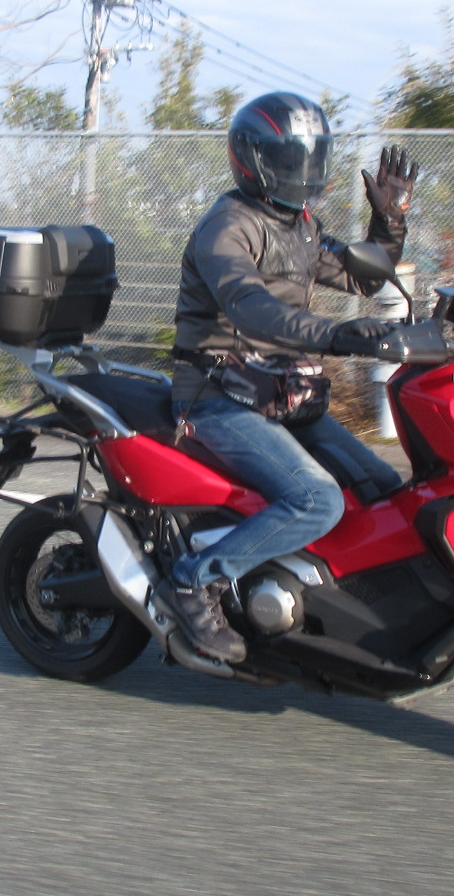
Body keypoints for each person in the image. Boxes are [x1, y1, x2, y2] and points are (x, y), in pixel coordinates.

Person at [159, 91, 419, 664]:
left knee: (382, 487)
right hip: (217, 395)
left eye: (308, 157)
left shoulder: (299, 225)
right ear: (252, 160)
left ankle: (343, 597)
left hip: (279, 391)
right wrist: (336, 334)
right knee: (316, 500)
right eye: (288, 159)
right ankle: (192, 581)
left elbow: (361, 278)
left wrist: (390, 219)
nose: (301, 172)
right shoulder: (226, 227)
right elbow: (251, 308)